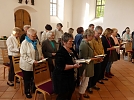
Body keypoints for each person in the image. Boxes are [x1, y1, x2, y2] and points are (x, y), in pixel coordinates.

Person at [53, 33, 81, 100]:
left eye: (72, 41)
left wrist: (80, 62)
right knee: (63, 95)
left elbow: (76, 59)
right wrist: (74, 66)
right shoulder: (60, 53)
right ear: (64, 42)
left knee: (70, 93)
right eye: (70, 41)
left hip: (71, 76)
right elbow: (62, 67)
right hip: (62, 78)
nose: (72, 43)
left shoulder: (72, 50)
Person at [20, 28, 42, 98]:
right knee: (27, 79)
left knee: (34, 77)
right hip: (27, 65)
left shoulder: (36, 41)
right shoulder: (24, 43)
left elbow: (39, 50)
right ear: (28, 35)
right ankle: (27, 91)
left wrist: (41, 56)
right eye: (33, 36)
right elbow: (23, 55)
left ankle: (33, 89)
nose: (35, 37)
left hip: (36, 63)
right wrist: (32, 61)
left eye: (35, 35)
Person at [78, 29, 100, 100]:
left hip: (89, 65)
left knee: (86, 81)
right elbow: (85, 59)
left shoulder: (87, 43)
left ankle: (82, 93)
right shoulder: (84, 44)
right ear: (87, 36)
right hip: (85, 66)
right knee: (84, 81)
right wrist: (96, 59)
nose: (93, 38)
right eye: (92, 36)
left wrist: (96, 57)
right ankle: (81, 96)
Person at [87, 26, 104, 94]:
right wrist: (98, 57)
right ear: (95, 31)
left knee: (97, 73)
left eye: (100, 33)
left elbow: (101, 47)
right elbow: (92, 50)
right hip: (94, 59)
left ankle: (94, 84)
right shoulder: (91, 39)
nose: (99, 35)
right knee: (92, 74)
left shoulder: (99, 39)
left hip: (99, 58)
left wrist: (102, 55)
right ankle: (89, 86)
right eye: (98, 33)